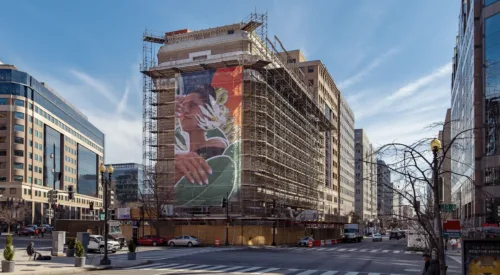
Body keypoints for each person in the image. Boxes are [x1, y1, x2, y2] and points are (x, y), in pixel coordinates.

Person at [174, 84, 228, 185]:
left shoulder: (216, 143)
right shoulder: (180, 155)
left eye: (192, 105)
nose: (185, 110)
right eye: (183, 105)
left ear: (209, 114)